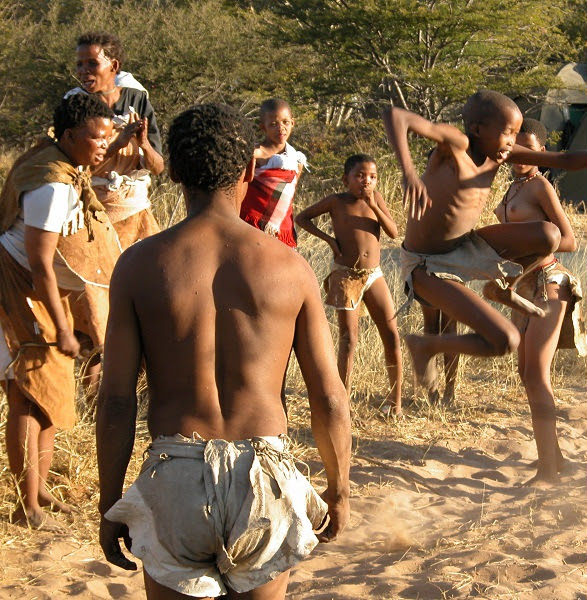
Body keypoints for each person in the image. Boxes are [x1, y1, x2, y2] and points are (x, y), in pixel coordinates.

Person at [96, 103, 351, 599]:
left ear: (172, 173)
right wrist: (339, 493)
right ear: (250, 169)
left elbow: (117, 401)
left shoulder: (139, 265)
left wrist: (111, 503)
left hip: (175, 475)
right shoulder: (289, 267)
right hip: (265, 477)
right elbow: (331, 398)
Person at [383, 90, 587, 394]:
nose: (512, 142)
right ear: (478, 130)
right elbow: (396, 116)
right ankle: (426, 345)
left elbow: (564, 159)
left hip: (467, 247)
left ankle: (506, 287)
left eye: (515, 135)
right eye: (507, 133)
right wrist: (409, 175)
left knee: (550, 235)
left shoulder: (505, 154)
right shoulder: (455, 144)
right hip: (426, 264)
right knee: (505, 340)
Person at [0, 94, 117, 530]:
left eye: (107, 137)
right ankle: (26, 505)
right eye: (95, 137)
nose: (103, 145)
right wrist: (65, 327)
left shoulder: (62, 167)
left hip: (32, 288)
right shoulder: (52, 185)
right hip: (20, 288)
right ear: (69, 137)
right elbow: (39, 263)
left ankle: (41, 490)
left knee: (46, 393)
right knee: (28, 394)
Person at [492, 118, 587, 486]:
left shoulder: (540, 186)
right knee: (527, 372)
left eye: (529, 149)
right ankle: (555, 457)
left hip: (549, 281)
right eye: (515, 147)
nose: (520, 155)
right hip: (522, 286)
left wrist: (532, 243)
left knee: (535, 371)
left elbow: (568, 239)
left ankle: (548, 468)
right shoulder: (513, 187)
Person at [68, 31, 164, 395]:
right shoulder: (75, 105)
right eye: (79, 64)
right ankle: (95, 403)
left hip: (136, 215)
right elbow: (74, 169)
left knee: (150, 299)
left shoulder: (138, 99)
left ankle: (140, 392)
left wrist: (139, 144)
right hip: (91, 218)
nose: (83, 71)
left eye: (91, 63)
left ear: (114, 66)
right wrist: (118, 146)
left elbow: (157, 166)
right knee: (95, 308)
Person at [296, 154, 403, 417]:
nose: (367, 181)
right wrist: (330, 241)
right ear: (346, 179)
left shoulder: (376, 199)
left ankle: (395, 404)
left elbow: (394, 232)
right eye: (360, 176)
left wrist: (374, 205)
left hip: (373, 275)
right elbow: (302, 218)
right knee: (349, 339)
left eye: (372, 177)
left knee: (392, 336)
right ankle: (343, 405)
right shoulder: (337, 201)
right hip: (345, 275)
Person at [239, 98, 307, 248]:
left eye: (285, 122)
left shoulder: (296, 160)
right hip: (251, 224)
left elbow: (288, 196)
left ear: (292, 123)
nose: (281, 128)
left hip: (282, 229)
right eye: (273, 124)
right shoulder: (254, 153)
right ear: (263, 128)